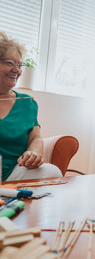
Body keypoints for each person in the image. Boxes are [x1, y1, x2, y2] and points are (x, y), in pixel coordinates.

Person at [0, 31, 62, 181]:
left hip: (14, 172)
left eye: (19, 64)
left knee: (52, 172)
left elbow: (36, 138)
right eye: (10, 63)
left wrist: (33, 153)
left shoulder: (27, 102)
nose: (17, 70)